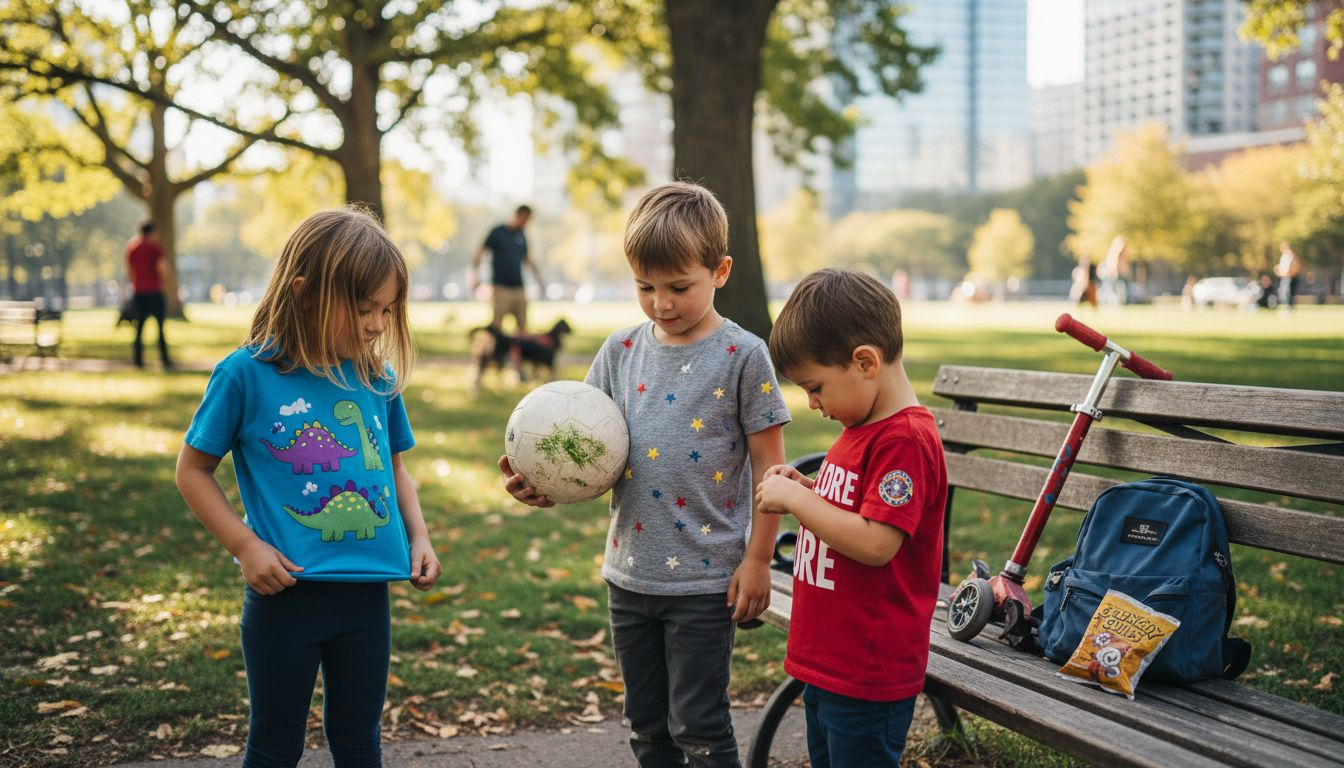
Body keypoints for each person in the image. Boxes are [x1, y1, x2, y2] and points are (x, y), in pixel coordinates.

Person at [498, 182, 790, 767]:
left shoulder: (744, 355)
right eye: (645, 287)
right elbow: (578, 450)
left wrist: (758, 560)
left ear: (721, 270)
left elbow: (772, 470)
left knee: (700, 726)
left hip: (707, 583)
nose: (661, 302)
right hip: (629, 577)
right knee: (646, 728)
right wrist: (543, 485)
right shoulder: (618, 350)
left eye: (679, 287)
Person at [175, 206, 442, 768]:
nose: (376, 324)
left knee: (358, 740)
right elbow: (192, 470)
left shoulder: (375, 379)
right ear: (304, 293)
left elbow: (395, 472)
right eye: (364, 308)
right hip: (285, 598)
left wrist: (419, 538)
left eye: (387, 310)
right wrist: (245, 546)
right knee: (275, 745)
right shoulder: (244, 374)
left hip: (368, 597)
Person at [754, 268, 948, 767]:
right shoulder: (862, 425)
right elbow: (855, 507)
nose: (812, 404)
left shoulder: (903, 439)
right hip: (830, 662)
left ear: (865, 362)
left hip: (868, 669)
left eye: (815, 387)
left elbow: (877, 542)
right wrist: (811, 489)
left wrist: (799, 505)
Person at [470, 205, 542, 333]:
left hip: (519, 287)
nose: (527, 223)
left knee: (522, 325)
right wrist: (475, 275)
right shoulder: (498, 232)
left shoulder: (521, 236)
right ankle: (493, 352)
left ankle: (519, 352)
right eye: (526, 219)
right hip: (501, 287)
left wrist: (538, 278)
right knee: (497, 326)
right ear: (519, 215)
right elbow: (480, 253)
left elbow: (527, 259)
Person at [125, 219, 172, 368]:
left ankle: (138, 359)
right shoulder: (155, 248)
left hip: (139, 292)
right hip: (155, 292)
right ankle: (164, 359)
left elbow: (129, 270)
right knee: (160, 327)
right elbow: (162, 269)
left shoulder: (132, 248)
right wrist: (163, 283)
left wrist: (136, 283)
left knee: (139, 328)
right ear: (152, 232)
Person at [1275, 242, 1301, 310]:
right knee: (1285, 292)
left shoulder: (1289, 254)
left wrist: (1286, 273)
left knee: (1288, 292)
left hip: (1289, 276)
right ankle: (1287, 306)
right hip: (1286, 276)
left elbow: (1290, 266)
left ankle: (1289, 306)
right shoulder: (1284, 255)